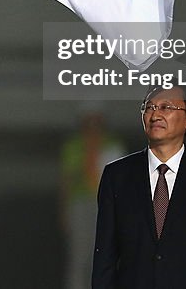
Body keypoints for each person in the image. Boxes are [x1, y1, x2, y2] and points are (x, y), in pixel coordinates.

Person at [92, 85, 186, 289]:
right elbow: (105, 260)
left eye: (166, 107)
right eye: (150, 107)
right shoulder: (117, 176)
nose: (156, 114)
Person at [61, 104, 125, 289]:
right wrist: (65, 210)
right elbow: (67, 180)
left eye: (97, 120)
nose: (93, 125)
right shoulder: (74, 146)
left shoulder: (112, 143)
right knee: (80, 255)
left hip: (106, 204)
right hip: (81, 203)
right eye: (89, 121)